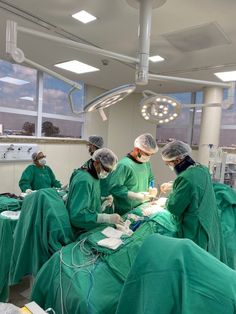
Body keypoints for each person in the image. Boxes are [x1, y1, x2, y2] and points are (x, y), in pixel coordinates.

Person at [160, 140, 226, 262]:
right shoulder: (202, 169)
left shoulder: (185, 179)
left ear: (177, 160)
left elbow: (174, 208)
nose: (169, 167)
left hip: (196, 229)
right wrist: (174, 185)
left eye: (168, 164)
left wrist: (165, 201)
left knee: (198, 261)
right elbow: (195, 185)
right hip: (209, 221)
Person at [66, 147, 123, 234]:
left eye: (110, 171)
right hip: (81, 231)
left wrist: (102, 201)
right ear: (97, 163)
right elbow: (77, 216)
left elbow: (88, 199)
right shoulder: (84, 180)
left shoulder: (94, 175)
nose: (107, 173)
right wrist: (106, 218)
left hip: (90, 226)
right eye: (106, 170)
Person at [103, 133, 158, 215]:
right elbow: (114, 188)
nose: (148, 157)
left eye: (151, 155)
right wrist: (136, 196)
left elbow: (150, 178)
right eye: (147, 154)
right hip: (126, 210)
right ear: (137, 150)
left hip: (143, 206)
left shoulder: (146, 163)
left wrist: (151, 187)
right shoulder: (123, 165)